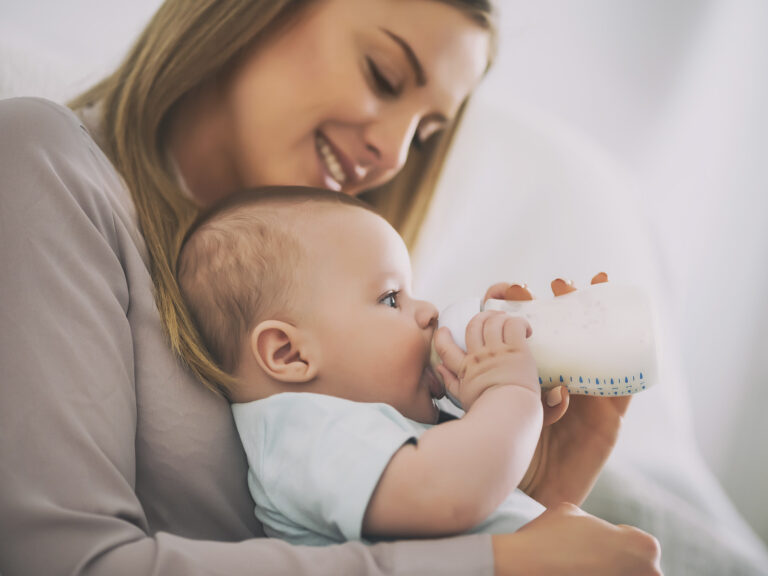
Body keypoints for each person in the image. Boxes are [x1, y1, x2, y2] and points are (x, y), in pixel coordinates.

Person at [0, 0, 662, 574]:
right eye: (384, 75)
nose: (397, 155)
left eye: (427, 134)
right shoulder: (44, 165)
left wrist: (544, 482)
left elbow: (385, 521)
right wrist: (491, 565)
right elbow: (66, 564)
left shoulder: (334, 290)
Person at [178, 186, 558, 545]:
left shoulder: (363, 417)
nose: (428, 310)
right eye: (391, 299)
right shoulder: (301, 432)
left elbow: (483, 484)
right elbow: (446, 495)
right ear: (288, 354)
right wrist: (510, 396)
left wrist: (487, 373)